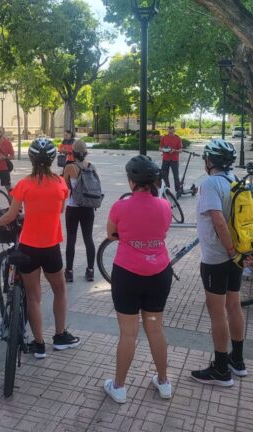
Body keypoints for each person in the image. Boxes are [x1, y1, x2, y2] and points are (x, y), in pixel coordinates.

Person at [0, 138, 80, 358]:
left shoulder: (24, 184)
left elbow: (10, 215)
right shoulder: (59, 183)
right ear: (50, 160)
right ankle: (60, 336)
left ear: (31, 159)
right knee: (59, 291)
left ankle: (38, 345)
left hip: (28, 246)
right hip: (51, 247)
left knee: (33, 297)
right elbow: (60, 210)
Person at [102, 155, 174, 404]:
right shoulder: (165, 206)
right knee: (154, 327)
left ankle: (119, 387)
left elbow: (111, 233)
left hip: (128, 276)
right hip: (159, 275)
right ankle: (164, 382)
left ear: (131, 181)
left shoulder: (121, 206)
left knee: (129, 333)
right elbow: (163, 231)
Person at [190, 139, 246, 387]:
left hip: (216, 257)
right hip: (235, 257)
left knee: (217, 312)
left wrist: (230, 250)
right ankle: (238, 361)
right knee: (234, 306)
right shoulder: (235, 181)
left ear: (210, 161)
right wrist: (238, 253)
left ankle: (221, 369)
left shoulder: (211, 184)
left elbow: (218, 221)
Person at [63, 139, 96, 282]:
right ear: (86, 153)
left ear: (73, 153)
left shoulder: (70, 167)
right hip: (88, 207)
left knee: (71, 239)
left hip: (73, 207)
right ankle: (90, 270)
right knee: (88, 239)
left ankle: (69, 272)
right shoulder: (92, 166)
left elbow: (65, 186)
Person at [159, 126, 183, 194]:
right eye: (168, 131)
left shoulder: (178, 138)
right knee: (164, 175)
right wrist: (163, 150)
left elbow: (181, 150)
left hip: (174, 159)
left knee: (176, 175)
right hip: (165, 159)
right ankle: (167, 189)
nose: (169, 132)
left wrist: (174, 150)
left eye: (171, 131)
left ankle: (177, 190)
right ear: (167, 130)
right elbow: (160, 148)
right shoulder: (164, 137)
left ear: (174, 130)